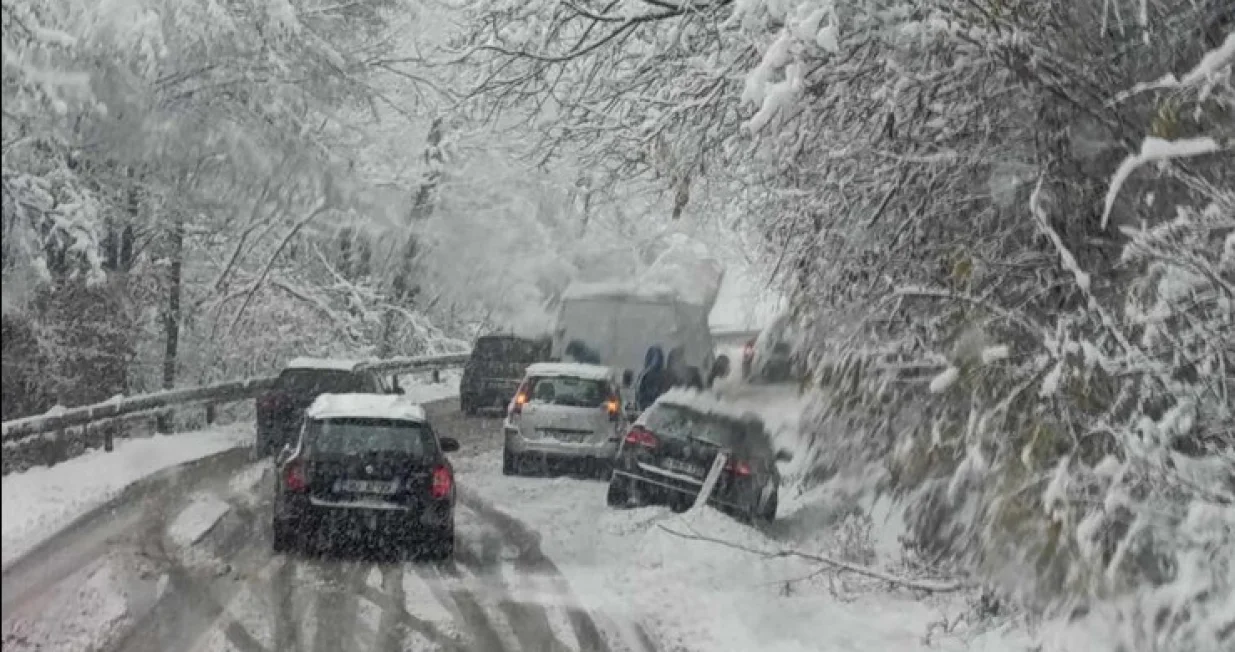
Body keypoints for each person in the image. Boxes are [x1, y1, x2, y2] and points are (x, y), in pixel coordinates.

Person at [635, 345, 667, 411]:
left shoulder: (644, 374)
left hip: (653, 409)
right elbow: (639, 393)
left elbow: (638, 393)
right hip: (649, 408)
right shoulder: (644, 375)